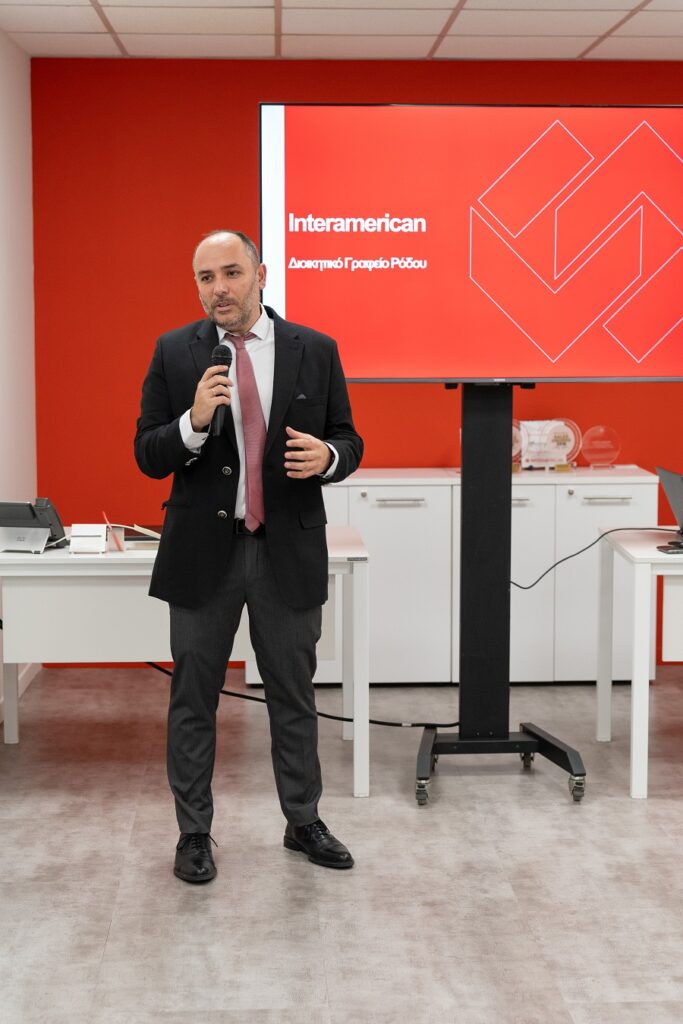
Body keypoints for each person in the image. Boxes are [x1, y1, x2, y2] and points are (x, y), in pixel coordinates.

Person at [134, 230, 363, 883]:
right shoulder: (174, 351)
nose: (219, 289)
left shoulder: (314, 349)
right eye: (205, 278)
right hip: (202, 554)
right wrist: (192, 423)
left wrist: (329, 457)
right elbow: (147, 452)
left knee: (294, 694)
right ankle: (193, 833)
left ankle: (303, 820)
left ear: (261, 274)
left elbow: (348, 439)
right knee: (193, 699)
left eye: (231, 273)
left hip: (285, 549)